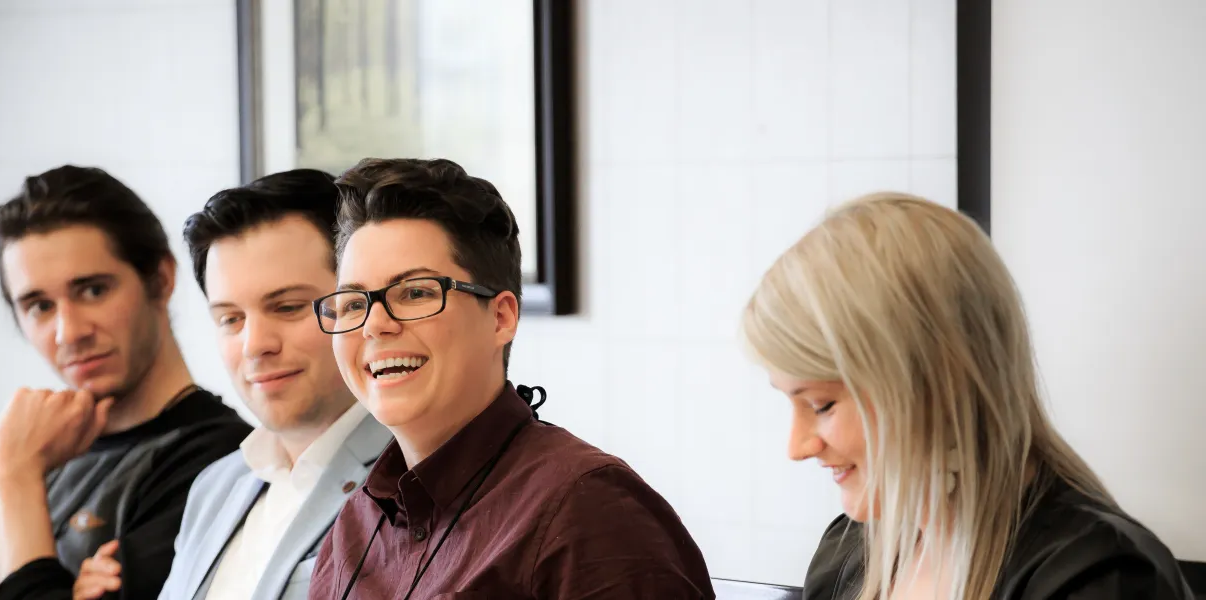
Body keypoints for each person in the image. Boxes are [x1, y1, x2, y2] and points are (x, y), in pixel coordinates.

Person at [740, 193, 1197, 600]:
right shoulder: (847, 553)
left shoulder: (1097, 577)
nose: (797, 447)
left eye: (821, 405)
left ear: (937, 383)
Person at [306, 158, 714, 599]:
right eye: (351, 303)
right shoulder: (354, 525)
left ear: (501, 317)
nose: (374, 325)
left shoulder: (589, 509)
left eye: (417, 293)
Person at [71, 169, 393, 600]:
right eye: (230, 319)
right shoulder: (215, 488)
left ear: (357, 301)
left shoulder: (414, 476)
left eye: (287, 307)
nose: (254, 345)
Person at [0, 165, 252, 600]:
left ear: (160, 279)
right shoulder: (59, 451)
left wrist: (16, 477)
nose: (69, 332)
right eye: (39, 305)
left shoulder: (222, 460)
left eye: (92, 291)